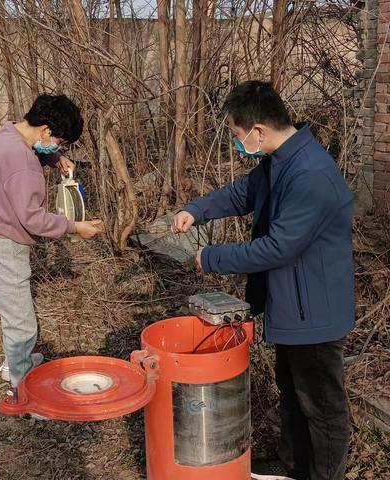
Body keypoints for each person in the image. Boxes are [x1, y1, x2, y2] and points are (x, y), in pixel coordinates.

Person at [173, 81, 354, 480]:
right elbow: (242, 194)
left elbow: (278, 248)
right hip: (291, 307)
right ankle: (292, 468)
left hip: (315, 315)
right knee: (292, 397)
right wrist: (197, 209)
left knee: (322, 410)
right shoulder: (280, 160)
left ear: (258, 130)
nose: (238, 145)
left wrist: (212, 257)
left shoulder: (310, 175)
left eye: (238, 136)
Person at [0, 94, 102, 388]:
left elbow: (31, 152)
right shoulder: (23, 164)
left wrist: (53, 158)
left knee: (13, 309)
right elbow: (34, 219)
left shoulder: (9, 133)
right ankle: (23, 387)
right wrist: (75, 227)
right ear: (46, 130)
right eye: (60, 143)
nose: (59, 147)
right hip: (0, 243)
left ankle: (19, 362)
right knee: (21, 322)